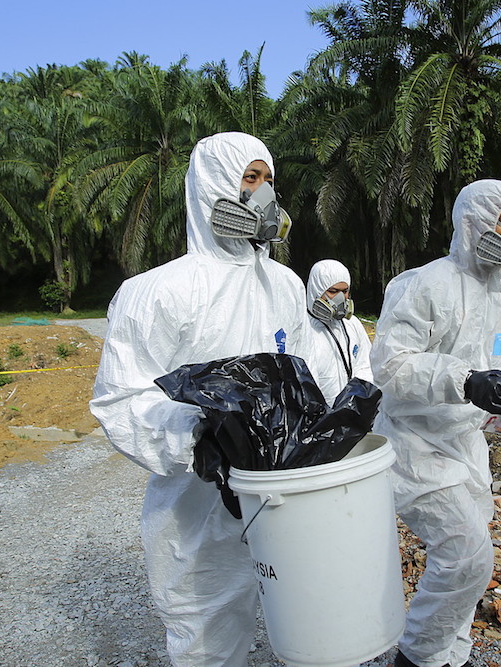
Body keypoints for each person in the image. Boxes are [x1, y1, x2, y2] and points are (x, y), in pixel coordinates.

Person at [90, 132, 308, 666]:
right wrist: (197, 437)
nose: (263, 197)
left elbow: (308, 375)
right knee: (206, 629)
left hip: (278, 490)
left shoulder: (284, 285)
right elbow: (122, 398)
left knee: (300, 615)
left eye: (269, 181)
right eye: (249, 179)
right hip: (196, 502)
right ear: (212, 186)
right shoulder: (159, 291)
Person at [369, 179, 501, 667]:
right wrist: (465, 380)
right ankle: (417, 657)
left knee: (469, 565)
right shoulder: (426, 284)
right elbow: (391, 366)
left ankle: (452, 653)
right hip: (416, 448)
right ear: (475, 222)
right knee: (468, 555)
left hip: (466, 449)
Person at [305, 258, 374, 402]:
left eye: (345, 291)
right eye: (333, 291)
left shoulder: (352, 325)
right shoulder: (303, 329)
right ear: (316, 291)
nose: (341, 298)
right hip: (318, 419)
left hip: (350, 415)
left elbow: (366, 364)